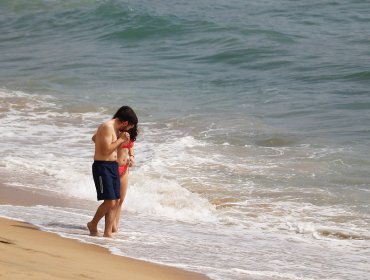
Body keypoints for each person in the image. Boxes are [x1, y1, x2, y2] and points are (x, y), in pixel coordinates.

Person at [87, 106, 138, 237]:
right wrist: (121, 140)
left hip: (113, 166)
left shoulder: (116, 129)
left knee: (115, 201)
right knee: (110, 201)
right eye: (129, 127)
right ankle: (92, 224)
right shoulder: (107, 127)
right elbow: (105, 150)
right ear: (125, 123)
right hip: (103, 166)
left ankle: (108, 232)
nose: (128, 130)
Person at [112, 122, 137, 233]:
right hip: (113, 168)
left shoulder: (128, 134)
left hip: (125, 168)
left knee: (121, 200)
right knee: (113, 201)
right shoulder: (115, 132)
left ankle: (115, 227)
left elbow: (131, 146)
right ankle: (111, 227)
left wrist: (131, 156)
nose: (131, 127)